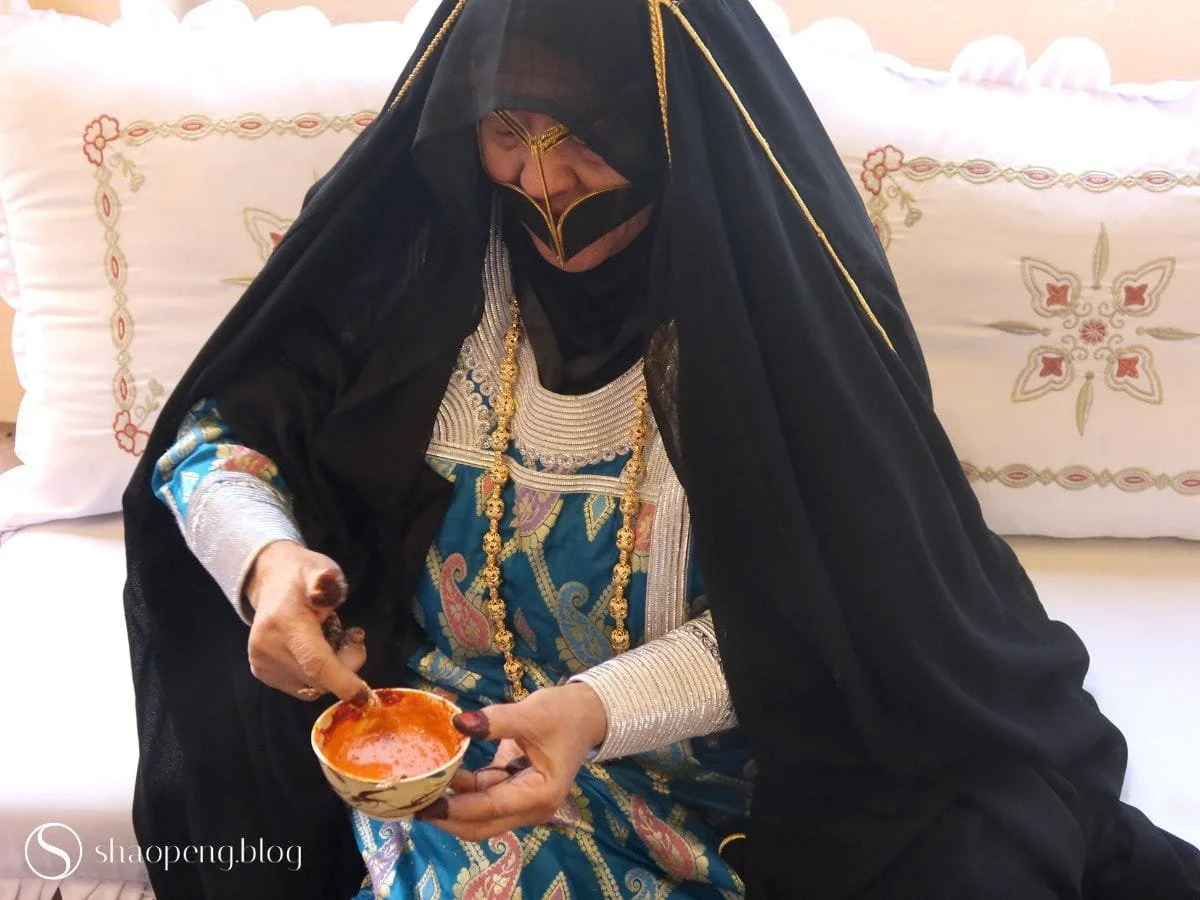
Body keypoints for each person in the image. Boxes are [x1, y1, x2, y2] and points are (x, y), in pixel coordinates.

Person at [121, 0, 1200, 897]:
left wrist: (593, 714)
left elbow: (833, 617)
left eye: (581, 131)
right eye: (508, 128)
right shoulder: (420, 272)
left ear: (666, 124)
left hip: (720, 778)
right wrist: (266, 568)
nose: (541, 179)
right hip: (452, 767)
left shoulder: (772, 320)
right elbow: (214, 435)